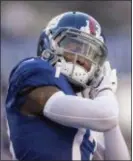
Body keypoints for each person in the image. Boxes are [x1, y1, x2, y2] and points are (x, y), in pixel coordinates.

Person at [5, 11, 130, 160]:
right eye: (75, 47)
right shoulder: (35, 69)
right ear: (50, 43)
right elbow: (105, 116)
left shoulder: (76, 111)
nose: (83, 59)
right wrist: (106, 90)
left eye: (90, 53)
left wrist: (109, 114)